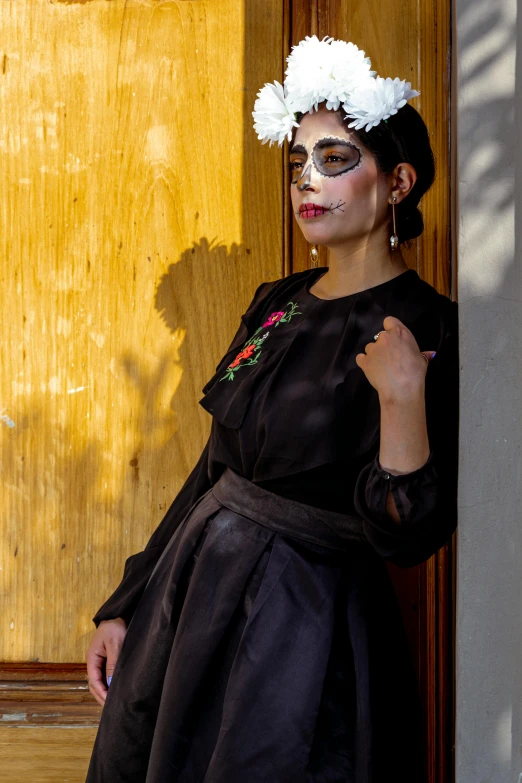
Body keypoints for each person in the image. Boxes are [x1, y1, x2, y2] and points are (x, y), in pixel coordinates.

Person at [85, 35, 459, 782]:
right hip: (191, 608)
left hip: (305, 628)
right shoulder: (276, 304)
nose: (308, 183)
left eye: (336, 159)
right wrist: (125, 601)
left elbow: (408, 536)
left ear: (398, 181)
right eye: (299, 164)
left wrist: (401, 398)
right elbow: (213, 467)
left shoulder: (431, 324)